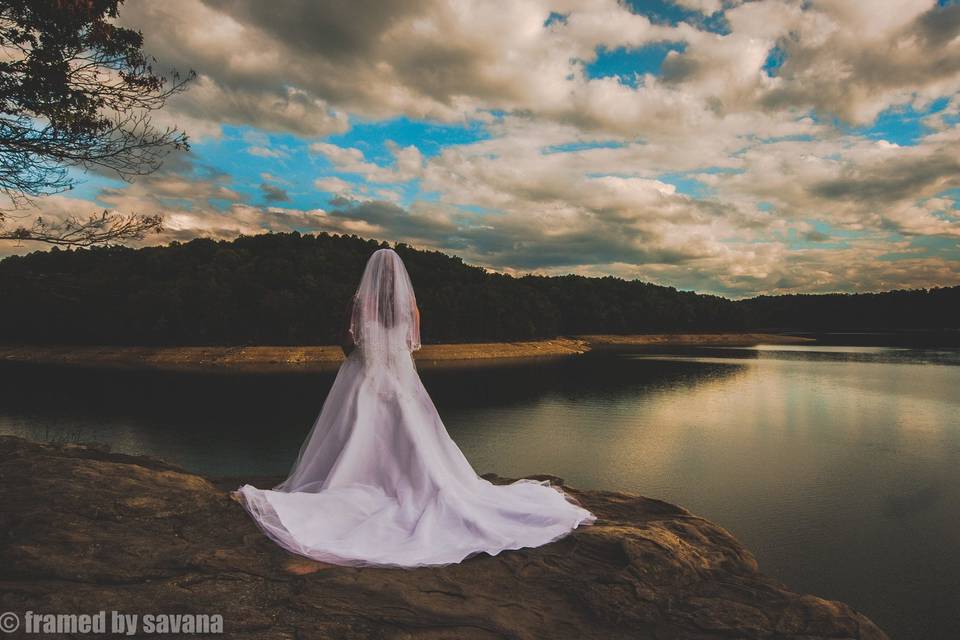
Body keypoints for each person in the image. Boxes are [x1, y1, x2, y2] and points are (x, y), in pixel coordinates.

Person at [235, 248, 595, 567]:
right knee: (416, 440)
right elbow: (412, 346)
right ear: (401, 279)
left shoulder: (359, 302)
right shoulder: (410, 306)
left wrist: (363, 360)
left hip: (364, 376)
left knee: (354, 433)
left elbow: (346, 341)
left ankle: (356, 480)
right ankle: (409, 483)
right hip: (402, 378)